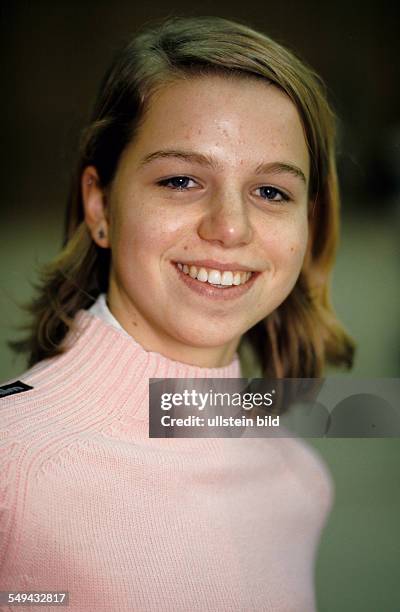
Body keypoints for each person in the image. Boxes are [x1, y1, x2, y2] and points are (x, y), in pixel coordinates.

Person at [0, 15, 354, 611]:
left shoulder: (299, 481)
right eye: (182, 179)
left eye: (272, 192)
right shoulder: (12, 465)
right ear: (99, 205)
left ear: (307, 225)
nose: (231, 228)